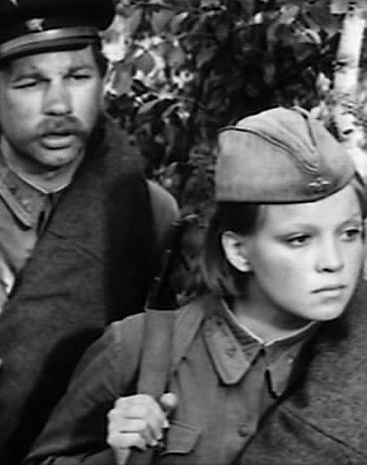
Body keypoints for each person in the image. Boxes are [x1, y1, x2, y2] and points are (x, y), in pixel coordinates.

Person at [0, 0, 180, 465]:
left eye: (77, 77)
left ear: (103, 81)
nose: (59, 105)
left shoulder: (149, 213)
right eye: (30, 83)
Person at [25, 107, 366, 464]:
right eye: (299, 239)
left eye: (350, 233)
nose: (334, 262)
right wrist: (114, 458)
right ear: (238, 251)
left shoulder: (357, 354)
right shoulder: (134, 349)